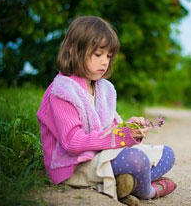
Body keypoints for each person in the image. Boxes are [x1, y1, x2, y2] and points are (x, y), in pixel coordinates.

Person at [36, 16, 176, 203]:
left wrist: (130, 127)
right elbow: (72, 142)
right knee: (136, 159)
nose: (105, 62)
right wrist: (119, 137)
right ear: (73, 50)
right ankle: (148, 191)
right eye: (98, 54)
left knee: (167, 154)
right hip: (74, 165)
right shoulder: (62, 91)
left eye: (109, 56)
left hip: (100, 155)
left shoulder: (103, 88)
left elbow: (111, 126)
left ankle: (126, 183)